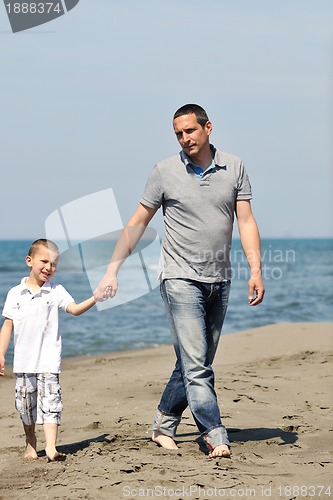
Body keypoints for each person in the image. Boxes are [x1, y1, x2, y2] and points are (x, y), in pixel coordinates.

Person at [94, 104, 265, 459]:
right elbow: (138, 222)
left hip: (220, 279)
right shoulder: (164, 171)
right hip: (178, 278)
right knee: (198, 364)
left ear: (208, 128)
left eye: (190, 131)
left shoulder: (235, 166)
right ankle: (214, 434)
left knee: (193, 362)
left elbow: (246, 221)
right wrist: (112, 270)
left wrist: (256, 270)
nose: (184, 138)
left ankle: (163, 424)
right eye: (178, 133)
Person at [0, 239, 96, 462]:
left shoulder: (56, 291)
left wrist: (95, 297)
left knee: (51, 404)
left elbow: (74, 309)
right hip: (24, 363)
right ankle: (31, 444)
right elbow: (7, 325)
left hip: (49, 361)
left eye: (53, 264)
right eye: (44, 261)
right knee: (26, 407)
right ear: (29, 261)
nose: (49, 267)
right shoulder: (15, 293)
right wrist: (1, 353)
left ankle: (51, 447)